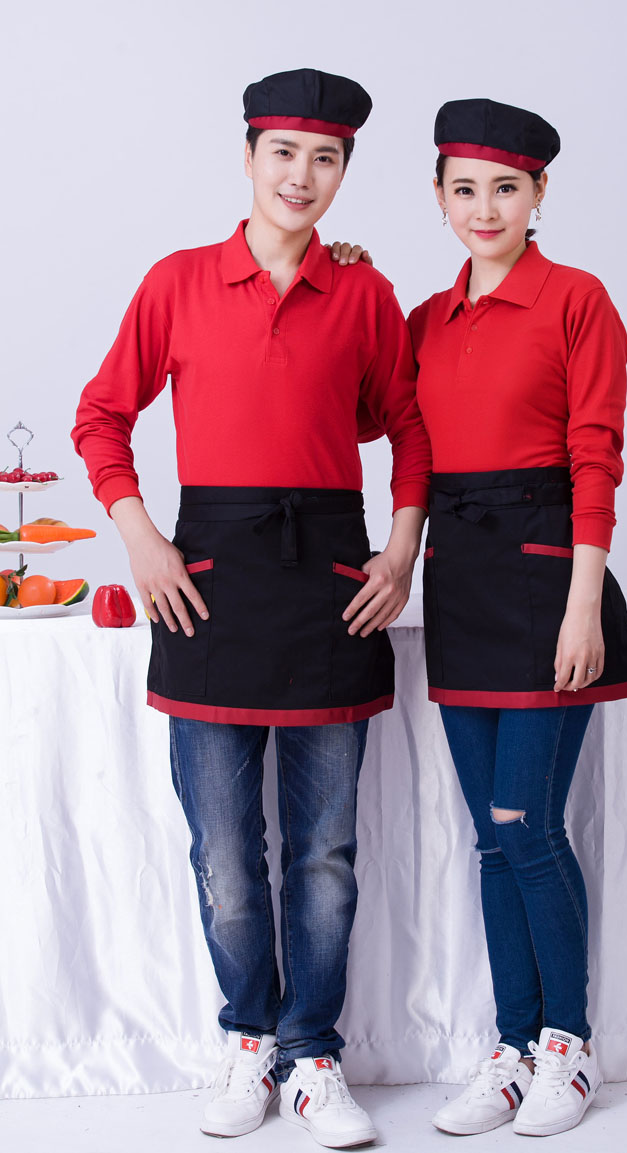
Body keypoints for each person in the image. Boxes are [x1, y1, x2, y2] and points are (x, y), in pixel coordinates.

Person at [72, 67, 430, 1148]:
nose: (301, 176)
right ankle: (247, 1037)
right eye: (283, 153)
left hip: (330, 582)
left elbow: (406, 426)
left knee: (324, 853)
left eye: (325, 158)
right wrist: (143, 538)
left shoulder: (363, 292)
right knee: (225, 856)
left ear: (344, 173)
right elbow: (101, 416)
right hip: (209, 581)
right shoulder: (177, 281)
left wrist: (401, 547)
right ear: (247, 156)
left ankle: (312, 1055)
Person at [406, 98, 627, 1138]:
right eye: (464, 188)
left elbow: (596, 453)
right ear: (438, 196)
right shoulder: (425, 319)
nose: (485, 207)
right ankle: (511, 1051)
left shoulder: (577, 299)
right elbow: (394, 432)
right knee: (490, 839)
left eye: (505, 187)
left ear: (539, 192)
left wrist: (582, 601)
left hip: (551, 579)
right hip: (460, 583)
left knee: (528, 825)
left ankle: (569, 1047)